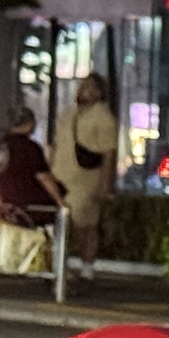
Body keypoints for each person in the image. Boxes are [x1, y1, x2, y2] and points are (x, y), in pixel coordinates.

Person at [51, 72, 120, 277]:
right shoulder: (66, 115)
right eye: (81, 86)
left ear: (99, 93)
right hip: (59, 177)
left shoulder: (104, 118)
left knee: (83, 224)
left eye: (88, 87)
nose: (82, 90)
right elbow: (56, 145)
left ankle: (87, 266)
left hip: (86, 180)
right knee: (60, 224)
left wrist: (105, 184)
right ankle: (62, 265)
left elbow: (109, 153)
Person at [0, 108, 58, 224]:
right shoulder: (30, 147)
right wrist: (60, 201)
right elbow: (43, 176)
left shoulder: (0, 145)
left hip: (4, 202)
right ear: (29, 123)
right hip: (30, 206)